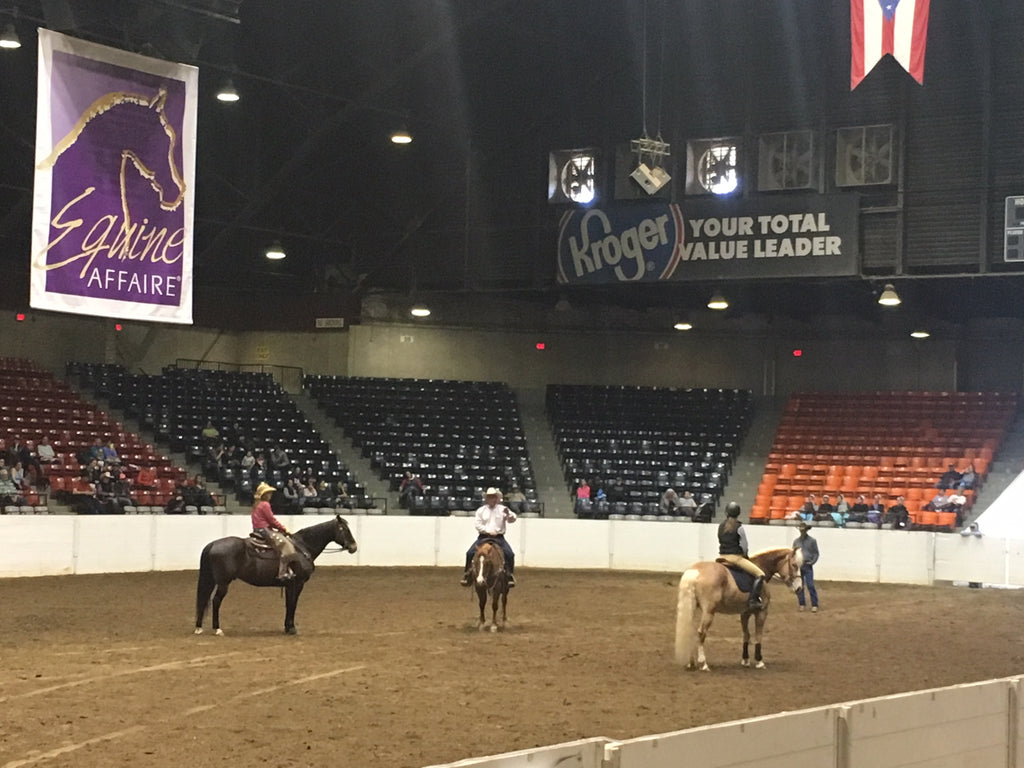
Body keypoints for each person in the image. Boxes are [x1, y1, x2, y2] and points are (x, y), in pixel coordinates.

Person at [460, 487, 517, 588]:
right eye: (489, 497)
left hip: (499, 538)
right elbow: (478, 525)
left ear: (496, 498)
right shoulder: (481, 511)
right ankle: (467, 574)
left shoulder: (503, 509)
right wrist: (487, 531)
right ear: (487, 498)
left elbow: (512, 519)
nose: (492, 499)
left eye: (493, 497)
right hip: (484, 537)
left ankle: (509, 575)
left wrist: (509, 515)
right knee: (470, 553)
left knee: (510, 554)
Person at [717, 501, 765, 610]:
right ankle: (753, 600)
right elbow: (744, 546)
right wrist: (745, 555)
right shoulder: (739, 527)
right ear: (738, 513)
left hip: (721, 556)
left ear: (726, 513)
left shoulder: (721, 526)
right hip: (735, 558)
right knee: (760, 574)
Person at [251, 481, 299, 581]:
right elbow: (272, 520)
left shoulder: (257, 505)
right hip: (264, 530)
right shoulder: (265, 505)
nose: (270, 495)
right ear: (264, 495)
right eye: (269, 493)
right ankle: (282, 572)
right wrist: (284, 529)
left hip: (258, 529)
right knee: (286, 544)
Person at [792, 522, 819, 613]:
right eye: (801, 530)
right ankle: (802, 603)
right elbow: (793, 553)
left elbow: (816, 553)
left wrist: (812, 562)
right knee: (800, 585)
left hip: (807, 564)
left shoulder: (812, 541)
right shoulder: (796, 541)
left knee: (810, 585)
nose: (802, 531)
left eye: (803, 530)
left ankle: (814, 604)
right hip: (799, 566)